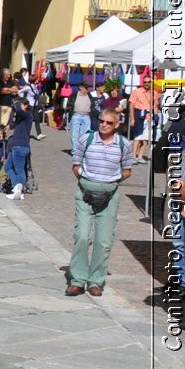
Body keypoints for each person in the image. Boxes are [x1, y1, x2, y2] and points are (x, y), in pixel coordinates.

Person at [69, 107, 134, 296]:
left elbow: (128, 170)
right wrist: (89, 182)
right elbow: (75, 166)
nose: (104, 125)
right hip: (85, 195)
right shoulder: (86, 140)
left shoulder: (124, 145)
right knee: (82, 236)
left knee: (104, 241)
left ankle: (95, 281)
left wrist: (109, 182)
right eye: (101, 121)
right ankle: (77, 280)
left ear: (117, 125)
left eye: (109, 122)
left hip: (110, 197)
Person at [5, 95, 34, 199]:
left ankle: (20, 192)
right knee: (7, 167)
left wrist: (16, 102)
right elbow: (15, 121)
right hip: (15, 145)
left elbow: (19, 110)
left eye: (21, 104)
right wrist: (9, 125)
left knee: (19, 170)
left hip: (21, 146)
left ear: (25, 106)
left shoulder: (28, 115)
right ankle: (16, 186)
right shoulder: (21, 117)